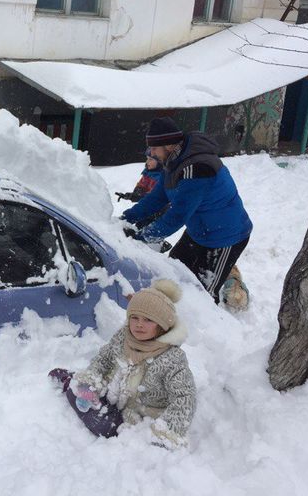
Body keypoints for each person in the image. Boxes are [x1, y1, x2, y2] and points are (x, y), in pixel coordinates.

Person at [48, 279, 196, 449]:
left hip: (136, 417)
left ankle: (70, 383)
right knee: (81, 393)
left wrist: (166, 429)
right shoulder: (123, 338)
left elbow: (185, 397)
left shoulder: (172, 358)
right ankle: (75, 384)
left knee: (103, 427)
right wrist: (91, 379)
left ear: (162, 325)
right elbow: (104, 358)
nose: (139, 324)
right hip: (113, 395)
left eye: (148, 320)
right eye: (135, 317)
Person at [121, 117, 252, 308]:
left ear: (168, 144)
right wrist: (125, 219)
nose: (153, 153)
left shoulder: (197, 168)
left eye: (155, 149)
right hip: (198, 231)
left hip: (225, 237)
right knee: (172, 276)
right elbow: (157, 198)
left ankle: (228, 295)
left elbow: (177, 216)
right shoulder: (173, 161)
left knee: (203, 295)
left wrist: (141, 238)